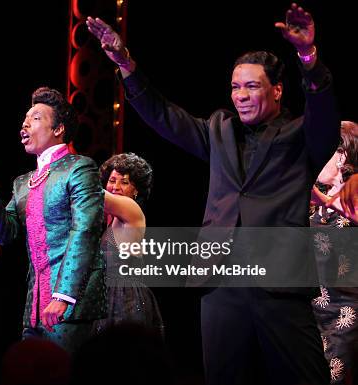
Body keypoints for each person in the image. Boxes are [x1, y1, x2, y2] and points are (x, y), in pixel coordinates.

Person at [88, 3, 339, 384]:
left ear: (277, 90)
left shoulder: (299, 135)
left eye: (252, 86)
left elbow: (324, 115)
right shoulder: (219, 129)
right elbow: (164, 116)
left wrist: (308, 57)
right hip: (220, 285)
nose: (241, 95)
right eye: (236, 86)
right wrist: (125, 63)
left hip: (279, 287)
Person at [0, 87, 106, 354]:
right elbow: (5, 233)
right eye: (25, 118)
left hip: (70, 304)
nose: (24, 123)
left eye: (35, 117)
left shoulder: (79, 167)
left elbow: (85, 231)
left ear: (58, 129)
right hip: (35, 305)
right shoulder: (23, 183)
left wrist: (63, 296)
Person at [94, 153, 164, 337]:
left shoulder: (131, 209)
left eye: (124, 182)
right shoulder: (111, 219)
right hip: (108, 295)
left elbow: (91, 193)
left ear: (136, 189)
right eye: (112, 180)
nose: (115, 187)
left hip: (125, 298)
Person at [310, 122, 358, 384]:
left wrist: (326, 199)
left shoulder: (354, 190)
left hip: (343, 310)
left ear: (341, 155)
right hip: (308, 309)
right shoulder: (312, 198)